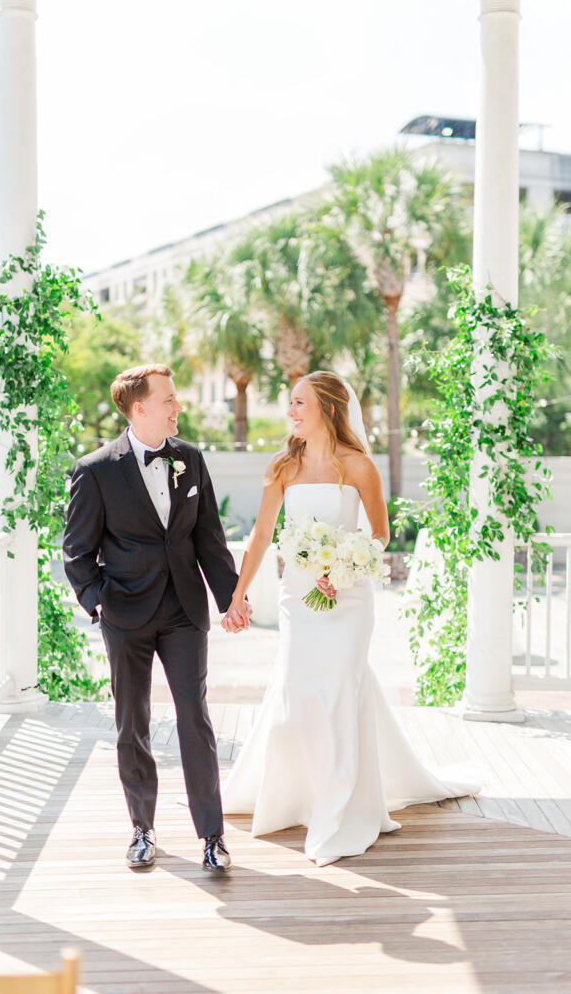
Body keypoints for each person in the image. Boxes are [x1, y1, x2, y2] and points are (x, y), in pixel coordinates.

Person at [220, 371, 482, 867]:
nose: (291, 412)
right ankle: (295, 797)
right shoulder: (283, 466)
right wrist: (238, 595)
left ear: (328, 409)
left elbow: (379, 536)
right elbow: (261, 535)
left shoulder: (359, 466)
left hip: (349, 600)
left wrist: (342, 571)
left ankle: (339, 811)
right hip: (299, 601)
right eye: (291, 403)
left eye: (300, 403)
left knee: (340, 690)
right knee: (298, 695)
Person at [63, 364, 250, 873]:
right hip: (125, 613)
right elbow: (77, 552)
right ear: (140, 408)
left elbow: (209, 537)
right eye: (168, 400)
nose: (177, 407)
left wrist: (231, 599)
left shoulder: (190, 458)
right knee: (133, 721)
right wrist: (100, 603)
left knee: (196, 718)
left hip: (184, 610)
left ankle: (212, 837)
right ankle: (142, 830)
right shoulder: (95, 470)